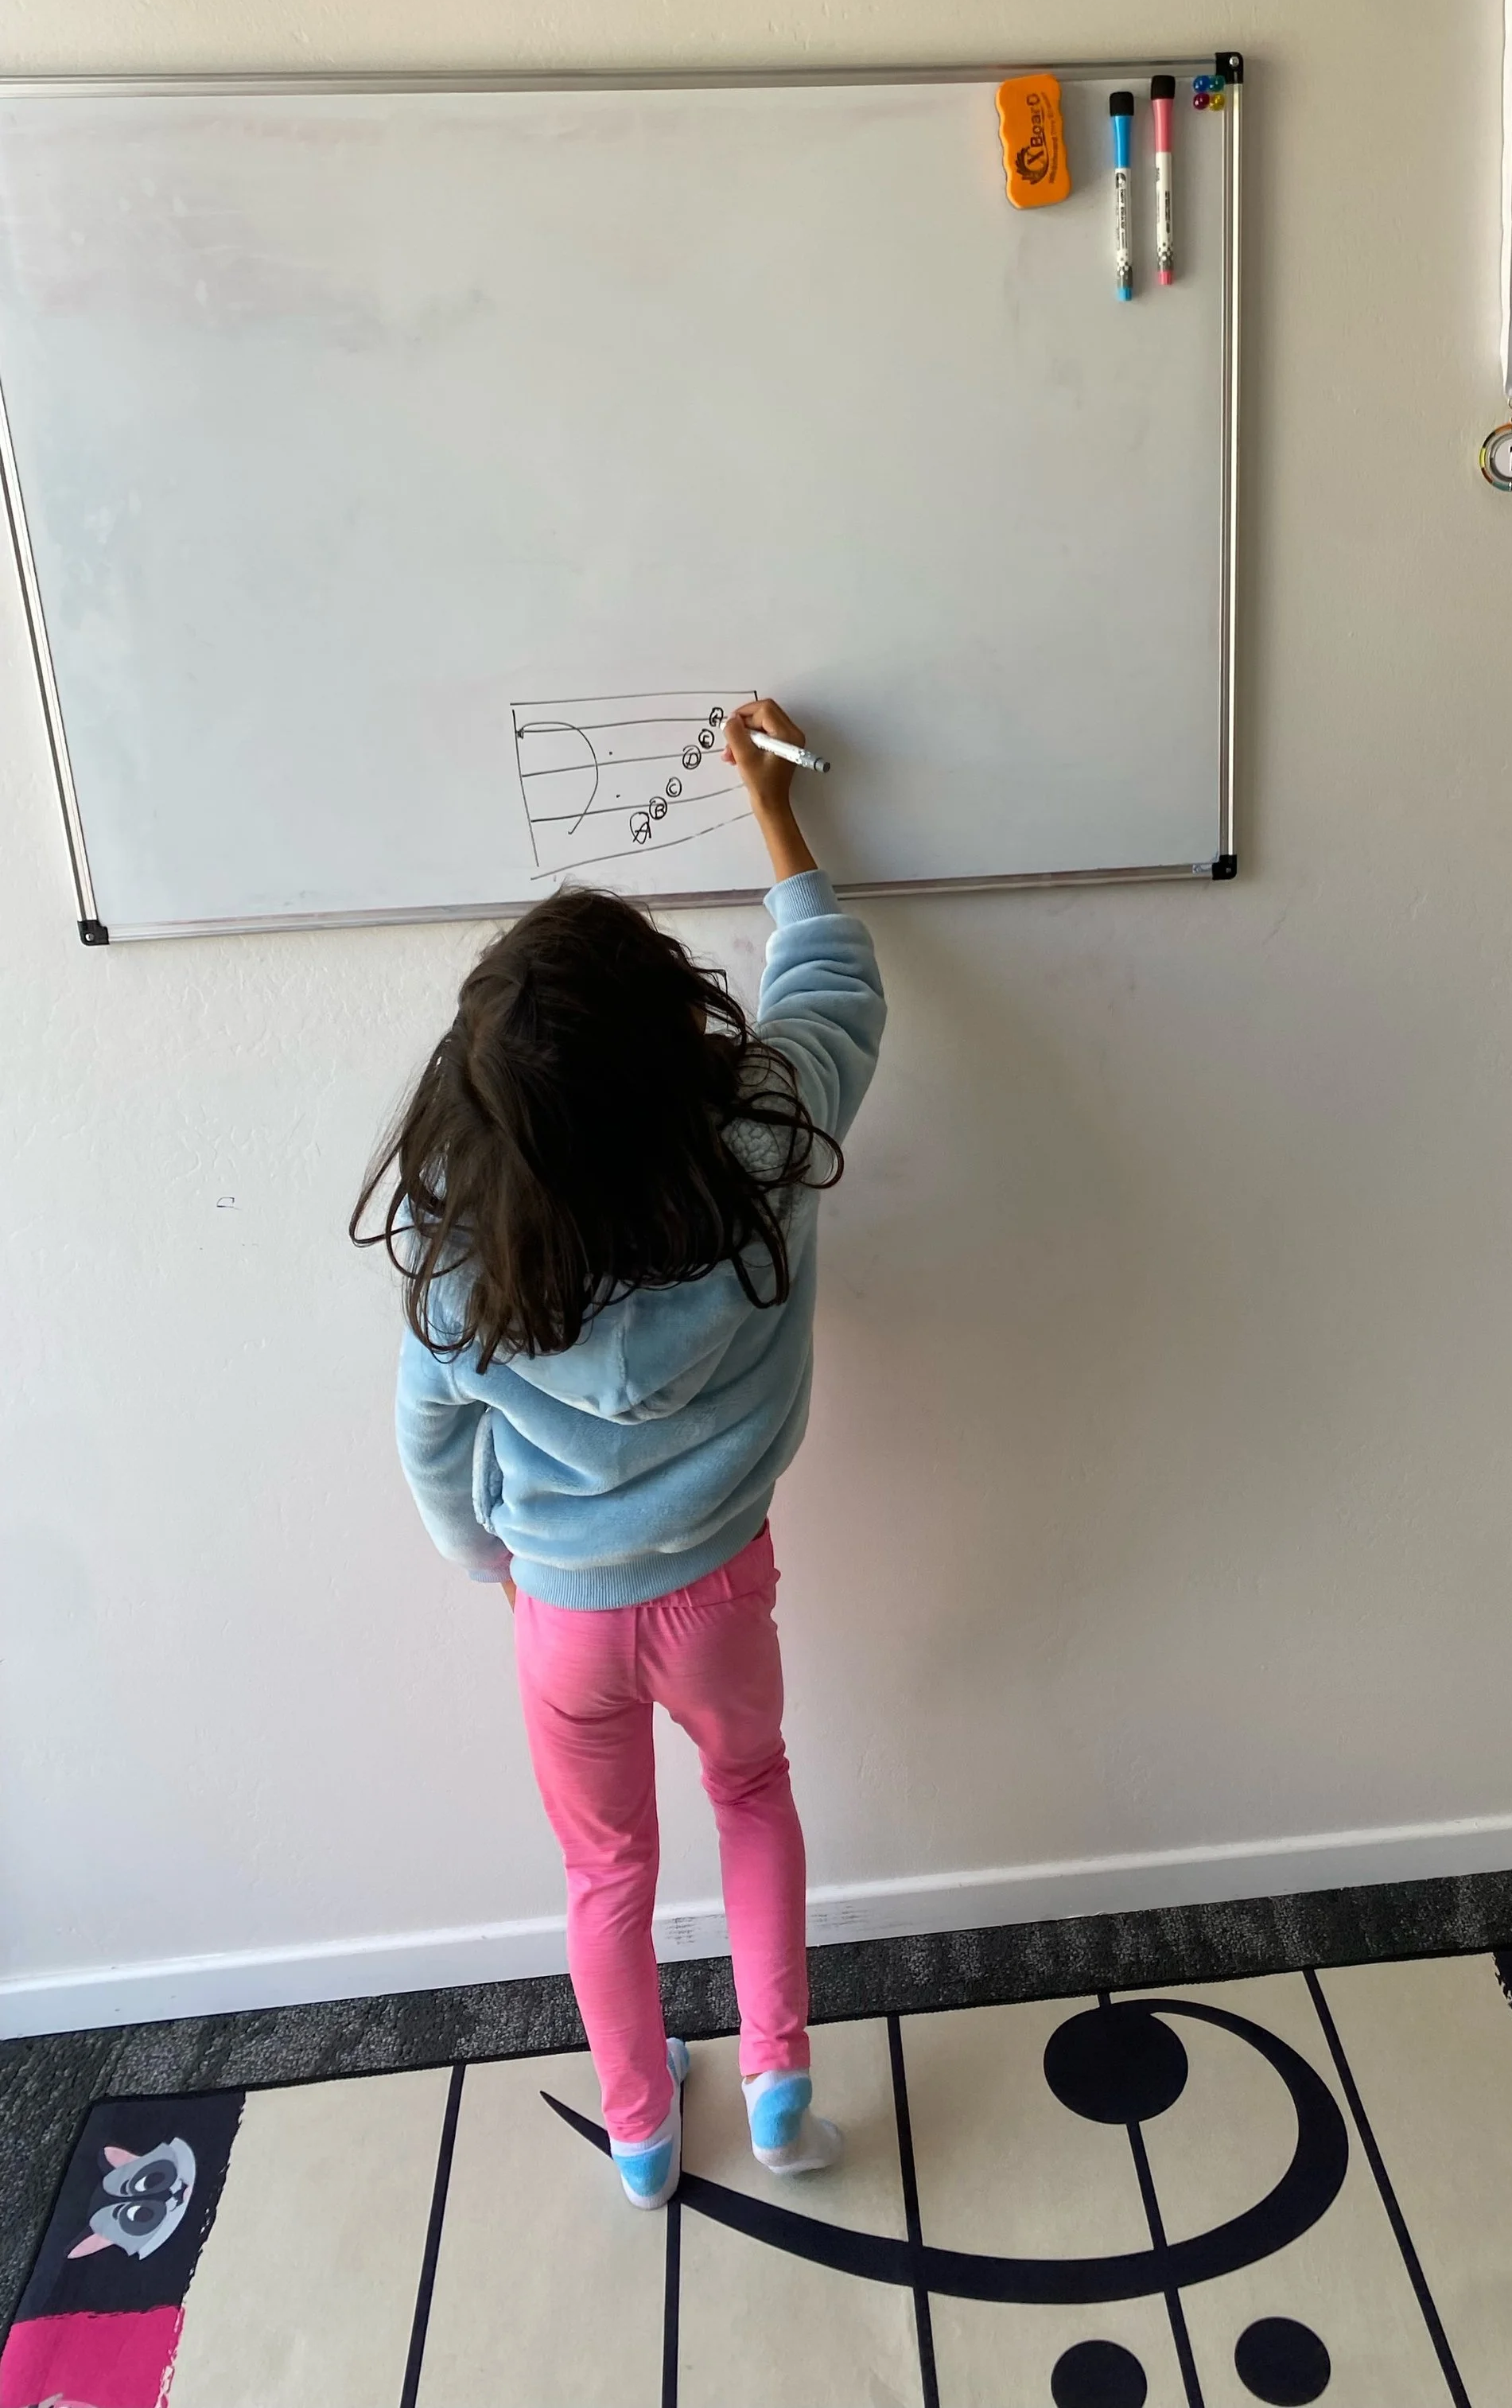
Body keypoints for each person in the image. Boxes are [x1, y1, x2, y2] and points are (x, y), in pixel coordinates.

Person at [352, 701, 884, 2209]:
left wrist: (488, 1562)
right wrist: (775, 818)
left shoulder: (468, 1259)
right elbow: (836, 983)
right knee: (756, 1794)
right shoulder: (770, 1141)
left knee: (607, 1877)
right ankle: (778, 2083)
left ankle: (644, 2134)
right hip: (722, 1593)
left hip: (564, 1622)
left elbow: (429, 1436)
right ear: (678, 1042)